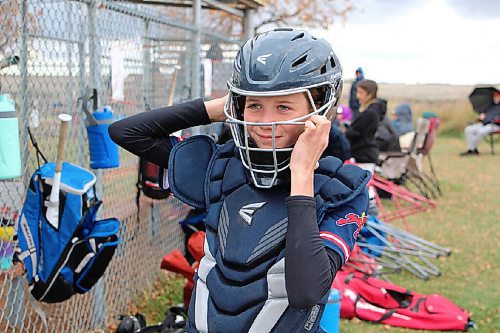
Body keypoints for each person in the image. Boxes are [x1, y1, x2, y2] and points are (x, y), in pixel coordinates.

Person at [109, 28, 370, 333]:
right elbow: (126, 132)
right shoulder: (223, 167)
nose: (264, 122)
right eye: (255, 105)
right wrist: (216, 108)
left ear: (319, 110)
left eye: (283, 106)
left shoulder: (339, 189)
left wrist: (301, 176)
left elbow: (305, 292)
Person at [345, 79, 381, 163]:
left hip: (364, 156)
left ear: (370, 94)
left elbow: (354, 132)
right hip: (364, 154)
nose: (357, 96)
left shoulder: (370, 113)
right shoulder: (370, 110)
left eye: (361, 93)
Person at [460, 90, 500, 156]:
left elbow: (496, 118)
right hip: (485, 124)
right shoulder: (490, 106)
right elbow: (486, 116)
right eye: (494, 96)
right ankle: (473, 149)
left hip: (495, 125)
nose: (495, 98)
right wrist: (482, 117)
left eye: (497, 96)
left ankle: (471, 150)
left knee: (480, 131)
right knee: (468, 129)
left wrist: (491, 119)